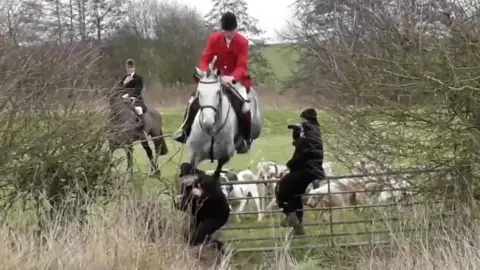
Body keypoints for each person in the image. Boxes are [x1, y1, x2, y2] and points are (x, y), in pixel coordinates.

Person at [172, 11, 253, 154]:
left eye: (231, 31)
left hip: (236, 80)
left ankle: (246, 138)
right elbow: (205, 58)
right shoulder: (214, 38)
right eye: (226, 31)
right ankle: (185, 131)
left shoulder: (242, 42)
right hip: (214, 78)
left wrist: (232, 78)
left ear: (235, 29)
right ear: (223, 29)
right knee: (194, 99)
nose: (229, 35)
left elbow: (242, 65)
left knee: (245, 105)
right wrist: (204, 71)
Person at [275, 108, 325, 235]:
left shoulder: (308, 131)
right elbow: (305, 148)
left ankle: (291, 216)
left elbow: (302, 153)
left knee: (282, 187)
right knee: (295, 196)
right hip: (313, 170)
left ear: (305, 119)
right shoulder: (314, 131)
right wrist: (297, 136)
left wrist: (289, 165)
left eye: (302, 119)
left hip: (306, 169)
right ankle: (298, 228)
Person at [176, 163, 230, 252]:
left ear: (194, 175)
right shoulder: (186, 187)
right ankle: (213, 245)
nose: (184, 181)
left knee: (198, 237)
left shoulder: (207, 181)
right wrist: (179, 204)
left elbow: (217, 196)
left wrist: (202, 194)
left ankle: (217, 247)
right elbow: (188, 206)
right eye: (182, 179)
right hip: (201, 215)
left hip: (217, 214)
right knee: (188, 237)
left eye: (186, 178)